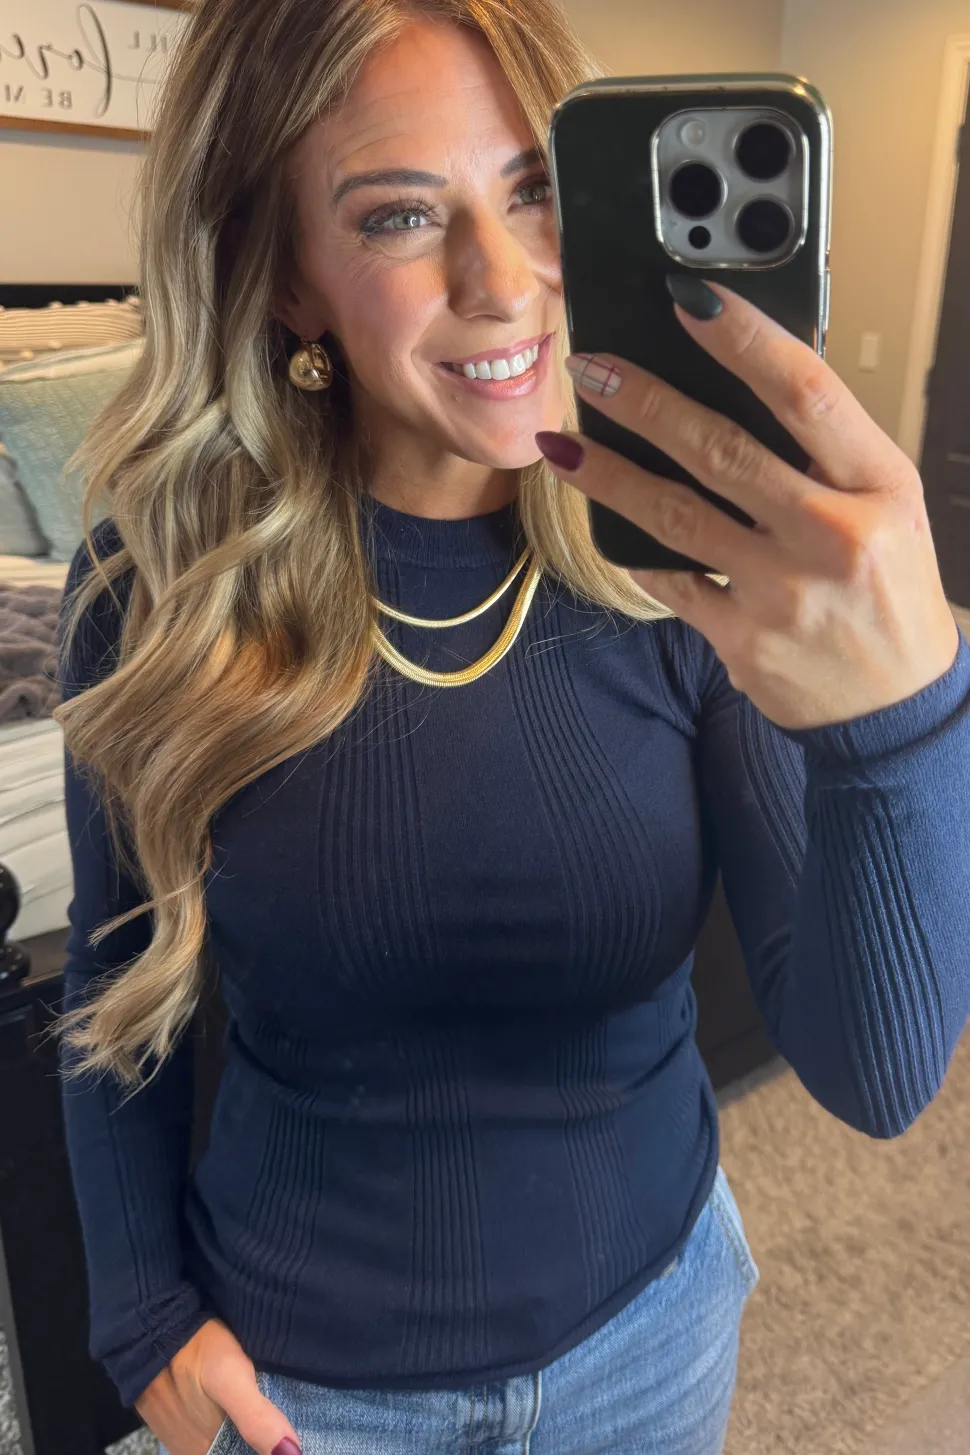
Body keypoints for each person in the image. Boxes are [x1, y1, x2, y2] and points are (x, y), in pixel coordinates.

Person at [52, 0, 970, 1452]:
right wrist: (142, 1316)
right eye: (401, 215)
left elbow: (873, 1075)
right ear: (288, 282)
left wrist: (903, 719)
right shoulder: (157, 585)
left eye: (535, 189)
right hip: (307, 1395)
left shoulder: (683, 569)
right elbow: (113, 995)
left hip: (651, 1344)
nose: (505, 279)